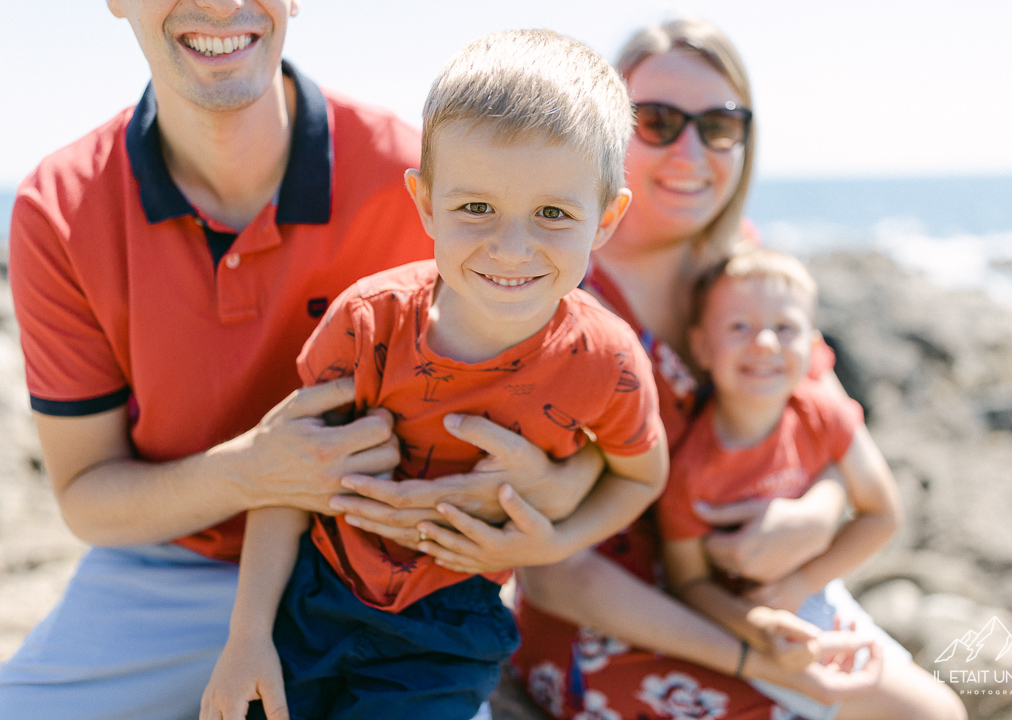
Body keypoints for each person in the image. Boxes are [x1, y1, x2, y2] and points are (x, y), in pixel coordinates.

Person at [0, 3, 600, 719]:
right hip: (172, 567)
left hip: (397, 580)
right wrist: (253, 471)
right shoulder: (58, 207)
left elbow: (583, 397)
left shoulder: (425, 184)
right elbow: (88, 498)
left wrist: (552, 493)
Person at [332, 18, 879, 720]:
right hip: (615, 629)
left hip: (753, 599)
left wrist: (814, 513)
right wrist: (751, 656)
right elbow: (557, 571)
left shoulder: (741, 269)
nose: (690, 150)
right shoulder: (545, 294)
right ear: (608, 129)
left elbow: (830, 427)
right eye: (656, 120)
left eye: (719, 124)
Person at [198, 29, 668, 720]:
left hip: (450, 628)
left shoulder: (608, 360)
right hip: (311, 595)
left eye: (553, 214)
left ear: (606, 217)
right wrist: (246, 638)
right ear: (423, 201)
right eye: (475, 208)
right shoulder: (368, 323)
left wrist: (555, 541)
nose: (511, 248)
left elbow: (641, 474)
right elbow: (284, 478)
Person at [659, 248, 965, 720]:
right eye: (739, 326)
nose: (764, 342)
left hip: (817, 592)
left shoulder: (822, 413)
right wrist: (761, 622)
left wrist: (803, 582)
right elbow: (690, 582)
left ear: (813, 345)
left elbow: (882, 514)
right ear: (701, 347)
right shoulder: (690, 466)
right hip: (749, 627)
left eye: (785, 328)